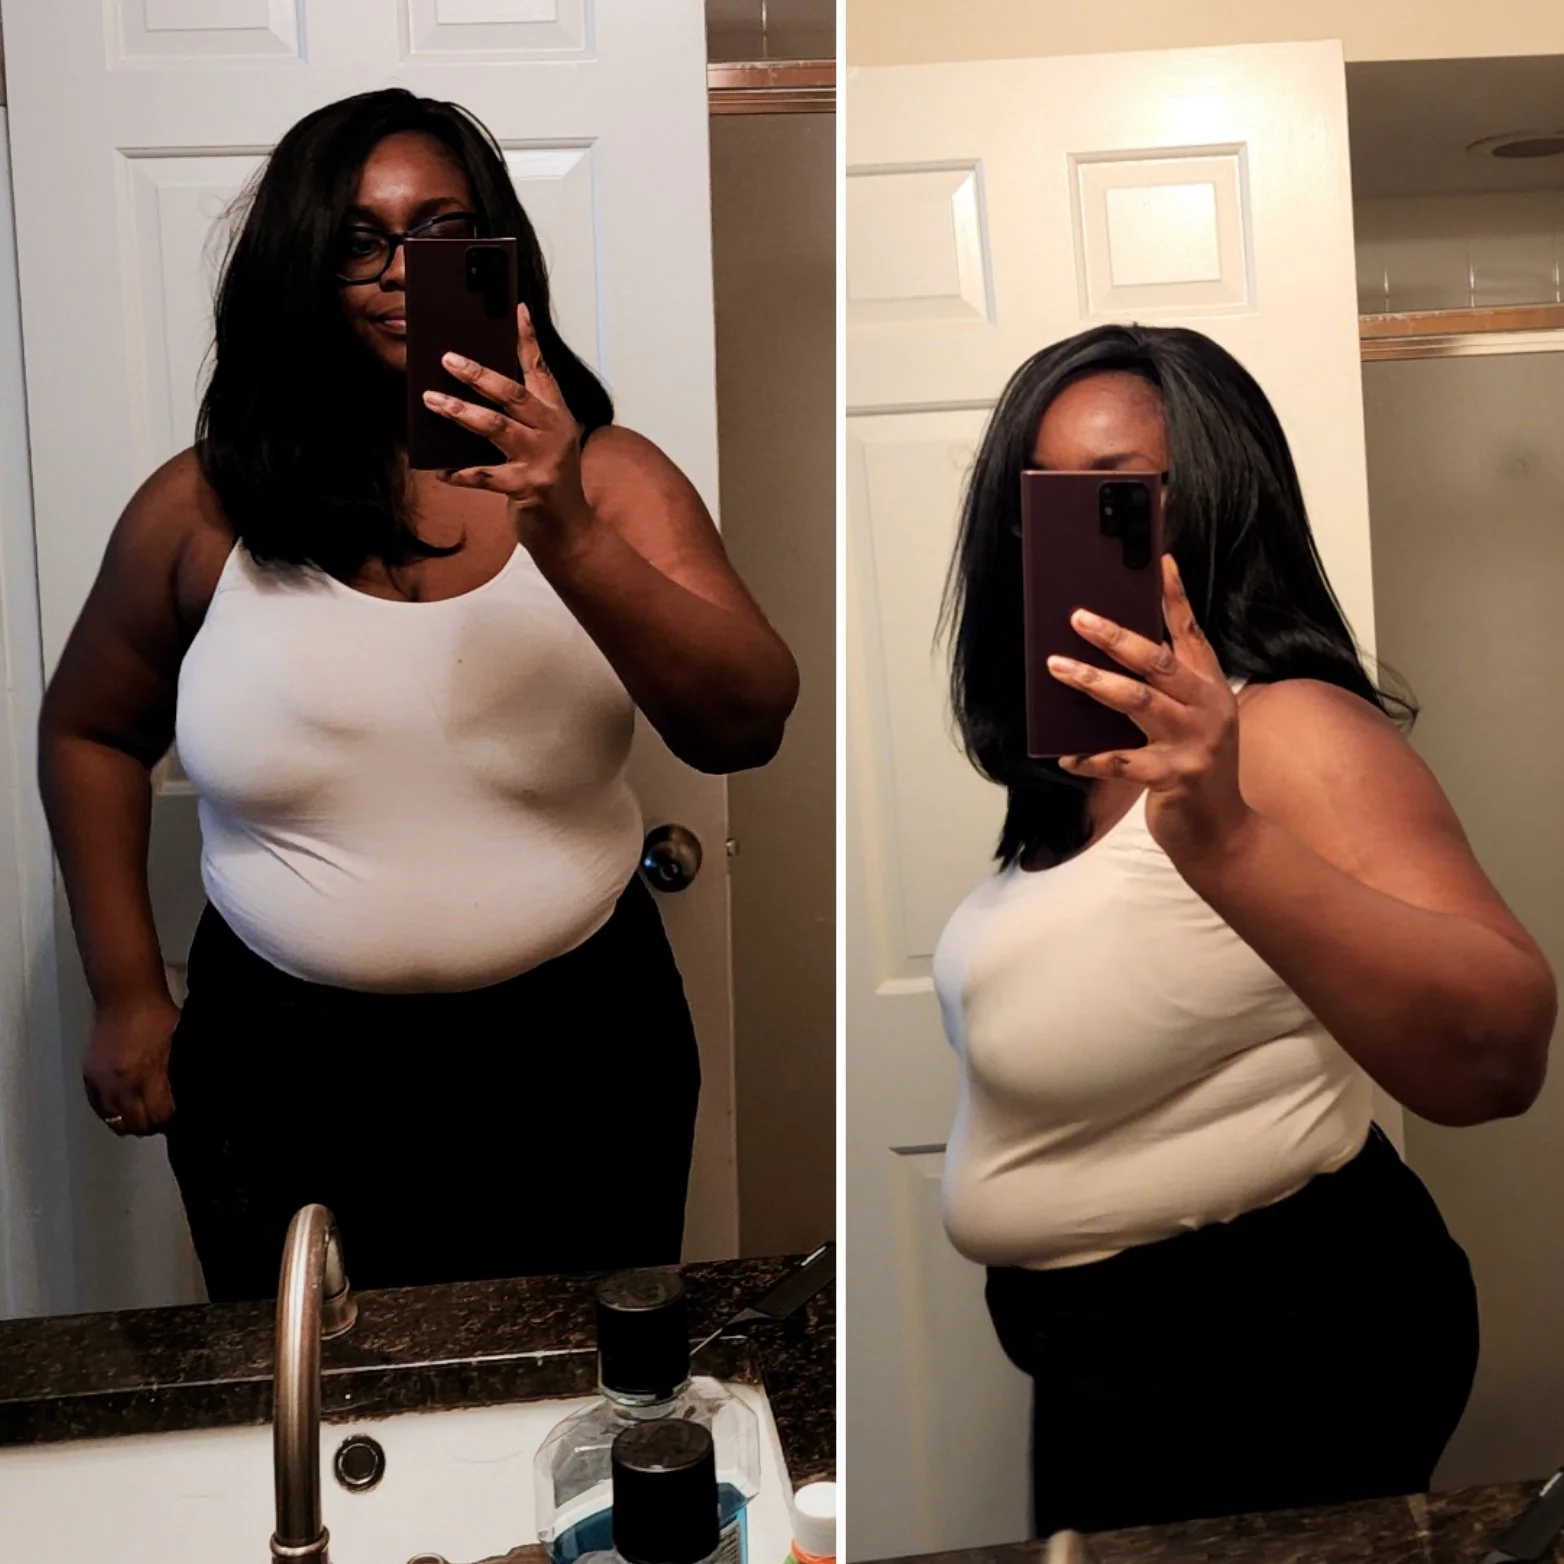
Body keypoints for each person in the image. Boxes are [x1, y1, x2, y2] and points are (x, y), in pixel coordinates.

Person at [37, 89, 798, 1301]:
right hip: (278, 1067)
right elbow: (89, 731)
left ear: (500, 257)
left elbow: (744, 721)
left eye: (442, 235)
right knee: (313, 1386)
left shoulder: (611, 481)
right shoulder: (200, 507)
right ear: (299, 264)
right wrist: (126, 989)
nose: (401, 270)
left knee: (569, 1380)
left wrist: (563, 522)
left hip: (579, 1052)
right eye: (358, 240)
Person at [934, 324, 1556, 1536]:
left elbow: (1498, 1051)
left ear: (1214, 502)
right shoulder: (1080, 774)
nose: (1061, 527)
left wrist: (1222, 832)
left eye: (1113, 492)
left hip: (1272, 1347)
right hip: (1116, 1369)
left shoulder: (1289, 730)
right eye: (1037, 492)